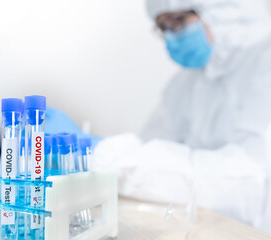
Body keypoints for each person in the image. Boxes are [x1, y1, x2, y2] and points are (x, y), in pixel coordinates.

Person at [93, 0, 271, 233]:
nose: (172, 36)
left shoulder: (264, 67)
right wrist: (106, 155)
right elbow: (152, 146)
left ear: (223, 10)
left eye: (178, 21)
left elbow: (249, 184)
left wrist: (109, 156)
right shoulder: (186, 84)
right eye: (163, 26)